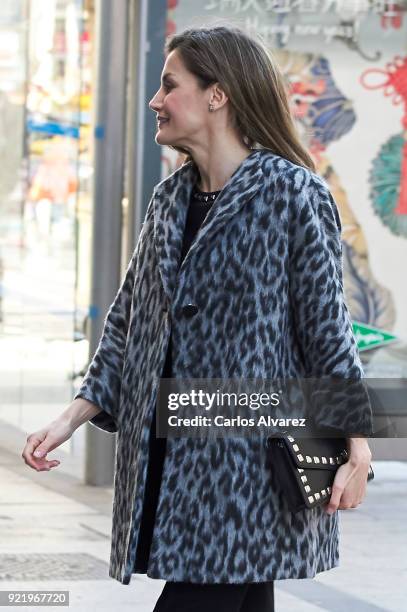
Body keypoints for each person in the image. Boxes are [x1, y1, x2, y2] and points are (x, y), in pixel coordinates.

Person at [22, 25, 372, 612]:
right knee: (244, 596)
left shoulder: (292, 194)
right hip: (174, 454)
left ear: (218, 95)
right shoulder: (168, 200)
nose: (156, 101)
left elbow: (327, 331)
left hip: (250, 464)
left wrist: (356, 446)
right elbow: (129, 322)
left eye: (169, 85)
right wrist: (71, 418)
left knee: (201, 594)